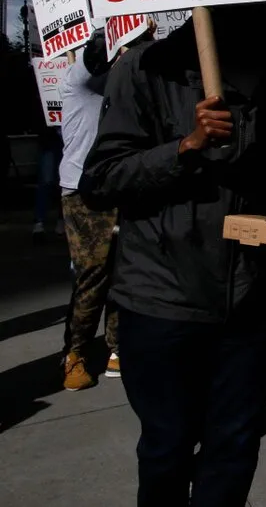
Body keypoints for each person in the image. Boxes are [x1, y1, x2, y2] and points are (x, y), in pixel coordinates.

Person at [82, 3, 266, 507]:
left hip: (251, 306)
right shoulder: (146, 68)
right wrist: (186, 147)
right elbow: (103, 178)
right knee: (167, 449)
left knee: (234, 450)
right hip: (161, 302)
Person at [60, 31, 122, 390]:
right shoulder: (80, 78)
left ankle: (117, 347)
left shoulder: (123, 79)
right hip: (82, 192)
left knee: (123, 273)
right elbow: (98, 48)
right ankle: (74, 352)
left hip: (120, 186)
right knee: (92, 276)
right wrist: (119, 24)